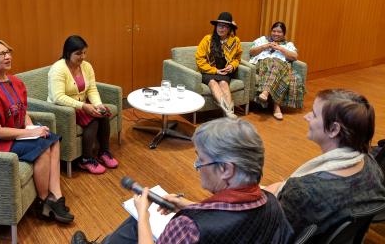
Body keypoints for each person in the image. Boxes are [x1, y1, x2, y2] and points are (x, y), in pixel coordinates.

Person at [71, 118, 293, 244]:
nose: (196, 165)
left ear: (225, 169)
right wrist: (190, 206)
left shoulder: (189, 228)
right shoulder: (271, 202)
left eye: (201, 158)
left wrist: (144, 217)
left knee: (135, 222)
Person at [0, 39, 74, 223]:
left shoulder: (15, 82)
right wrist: (31, 134)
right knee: (42, 147)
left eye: (8, 51)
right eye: (0, 54)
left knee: (52, 139)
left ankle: (55, 196)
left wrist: (33, 128)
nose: (7, 56)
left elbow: (22, 112)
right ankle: (42, 202)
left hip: (13, 135)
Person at [265, 89, 385, 237]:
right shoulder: (372, 166)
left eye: (314, 114)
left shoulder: (302, 191)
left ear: (334, 129)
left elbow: (273, 233)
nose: (306, 117)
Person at [48, 35, 118, 175]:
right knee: (92, 121)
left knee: (103, 114)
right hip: (62, 107)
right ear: (68, 53)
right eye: (78, 53)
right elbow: (58, 96)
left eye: (84, 52)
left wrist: (98, 104)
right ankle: (85, 159)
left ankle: (104, 152)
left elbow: (91, 89)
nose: (83, 57)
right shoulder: (58, 69)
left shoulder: (86, 66)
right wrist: (84, 106)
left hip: (80, 103)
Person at [248, 21, 304, 120]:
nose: (276, 34)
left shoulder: (288, 44)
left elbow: (294, 56)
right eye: (274, 31)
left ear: (284, 34)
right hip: (263, 64)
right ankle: (276, 107)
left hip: (281, 66)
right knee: (277, 66)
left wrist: (280, 48)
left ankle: (266, 92)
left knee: (278, 65)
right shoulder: (263, 40)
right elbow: (251, 52)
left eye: (279, 32)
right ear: (271, 31)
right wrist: (264, 46)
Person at [195, 12, 242, 119]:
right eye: (219, 25)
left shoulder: (235, 41)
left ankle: (229, 112)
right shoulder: (207, 39)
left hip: (224, 71)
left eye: (225, 26)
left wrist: (232, 66)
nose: (221, 28)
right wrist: (215, 71)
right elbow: (199, 59)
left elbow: (237, 58)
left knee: (224, 83)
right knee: (212, 83)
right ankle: (228, 113)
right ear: (216, 26)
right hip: (208, 70)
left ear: (230, 29)